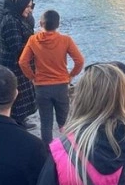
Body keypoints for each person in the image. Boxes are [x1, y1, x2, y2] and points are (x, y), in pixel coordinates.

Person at [19, 10, 84, 144]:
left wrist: (32, 77)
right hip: (61, 86)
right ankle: (68, 147)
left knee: (46, 122)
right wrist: (71, 76)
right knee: (64, 122)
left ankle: (48, 151)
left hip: (41, 86)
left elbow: (23, 62)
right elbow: (79, 61)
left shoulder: (33, 40)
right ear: (58, 24)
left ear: (41, 23)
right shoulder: (65, 40)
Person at [0, 0, 37, 129]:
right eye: (27, 7)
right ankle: (16, 122)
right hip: (13, 65)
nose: (30, 10)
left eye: (31, 6)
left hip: (20, 64)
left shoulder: (18, 18)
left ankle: (20, 120)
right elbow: (16, 46)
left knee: (21, 94)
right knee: (17, 94)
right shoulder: (10, 21)